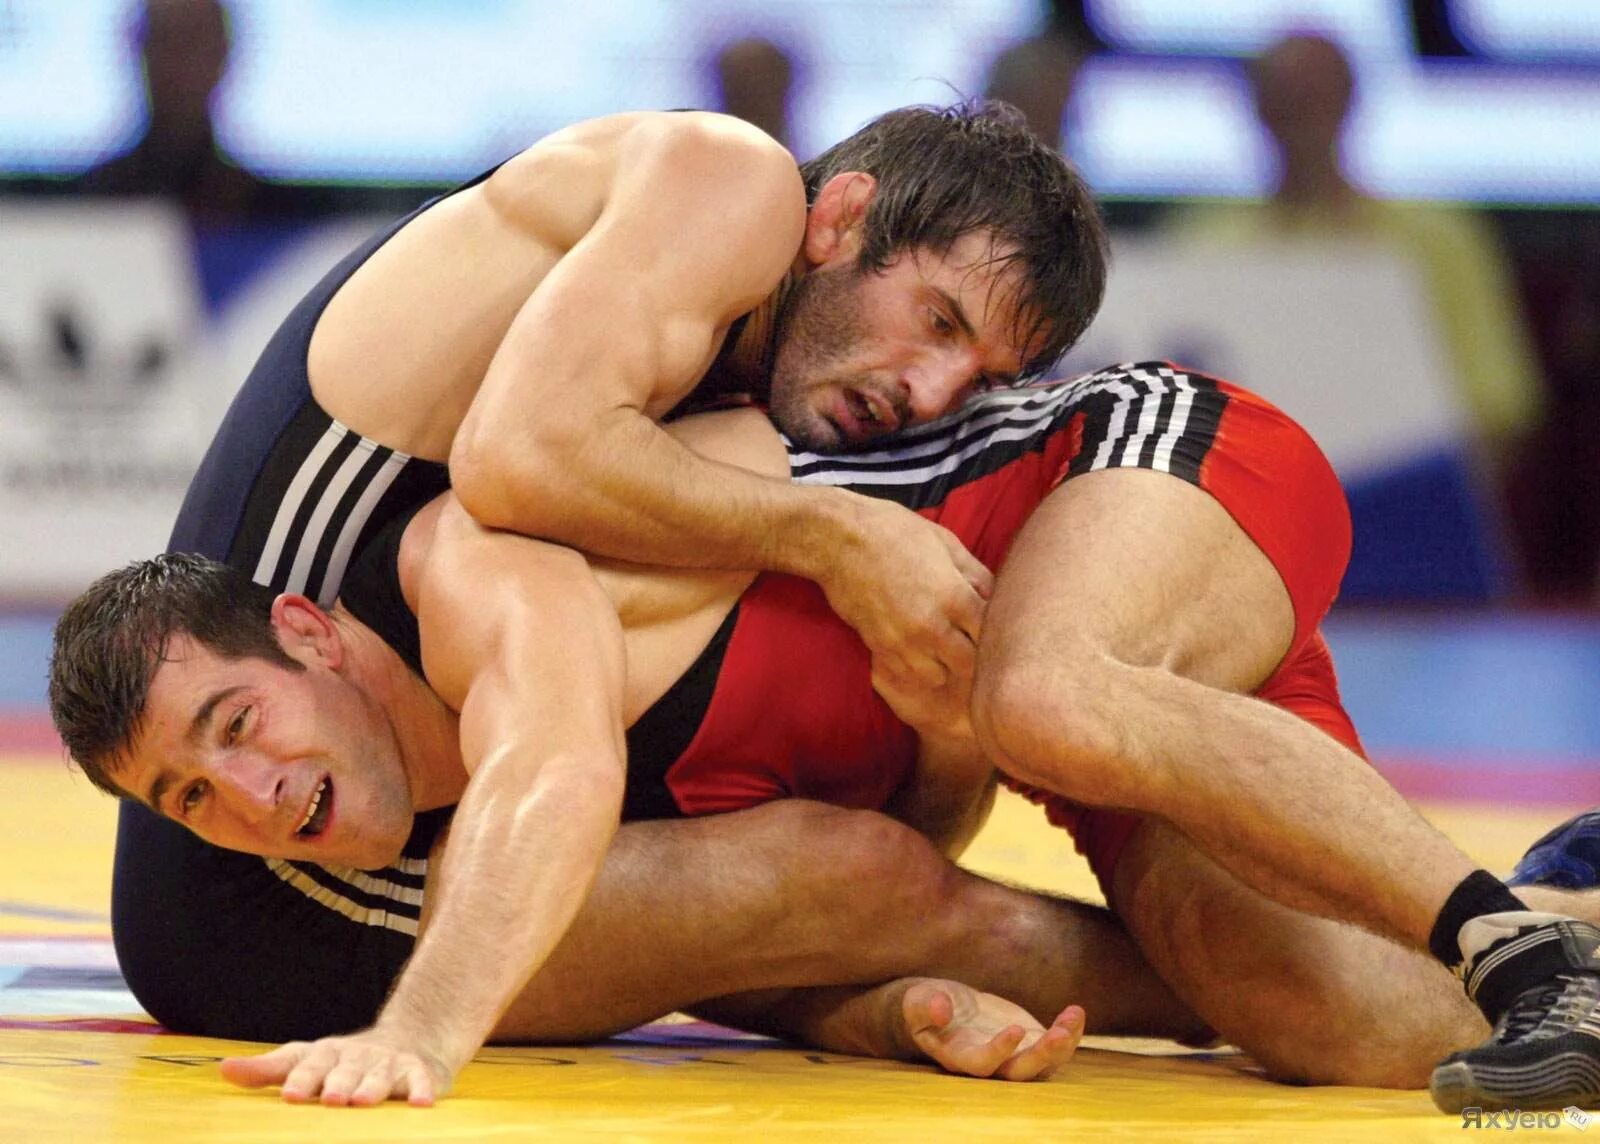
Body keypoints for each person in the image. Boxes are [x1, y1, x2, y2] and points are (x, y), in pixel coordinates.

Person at [54, 377, 1243, 1101]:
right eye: (191, 796)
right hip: (247, 948)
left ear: (309, 636)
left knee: (828, 865)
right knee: (843, 873)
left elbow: (571, 781)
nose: (249, 797)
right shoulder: (440, 567)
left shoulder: (470, 530)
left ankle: (1242, 975)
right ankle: (1235, 984)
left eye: (239, 731)